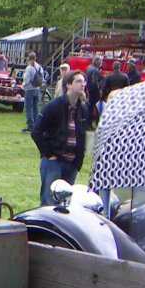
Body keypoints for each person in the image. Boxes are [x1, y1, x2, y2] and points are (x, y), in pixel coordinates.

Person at [31, 70, 89, 206]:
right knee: (49, 202)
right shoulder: (54, 106)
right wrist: (48, 153)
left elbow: (83, 133)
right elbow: (36, 131)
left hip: (72, 163)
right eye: (79, 81)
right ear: (68, 85)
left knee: (66, 203)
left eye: (84, 81)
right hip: (54, 162)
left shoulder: (82, 109)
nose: (83, 84)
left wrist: (78, 160)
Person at [22, 52, 43, 132]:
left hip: (29, 89)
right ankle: (37, 125)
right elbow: (42, 78)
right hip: (37, 89)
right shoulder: (40, 67)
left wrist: (23, 85)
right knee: (36, 108)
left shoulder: (29, 68)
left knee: (28, 108)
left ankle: (30, 125)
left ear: (29, 58)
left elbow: (26, 80)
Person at [84, 55, 103, 126]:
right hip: (93, 92)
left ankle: (87, 123)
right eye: (101, 61)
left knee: (89, 107)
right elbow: (94, 82)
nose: (101, 63)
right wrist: (99, 91)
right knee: (94, 108)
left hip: (87, 90)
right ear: (98, 61)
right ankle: (92, 123)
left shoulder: (88, 67)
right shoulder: (95, 70)